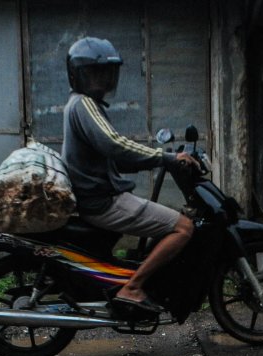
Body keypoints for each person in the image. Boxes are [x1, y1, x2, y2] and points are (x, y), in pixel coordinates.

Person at [62, 36, 199, 315]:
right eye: (93, 72)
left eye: (106, 73)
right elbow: (114, 144)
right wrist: (166, 157)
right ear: (78, 75)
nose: (101, 79)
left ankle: (133, 283)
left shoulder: (82, 105)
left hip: (96, 197)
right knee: (184, 227)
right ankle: (133, 288)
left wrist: (156, 162)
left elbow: (109, 156)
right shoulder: (84, 105)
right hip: (102, 201)